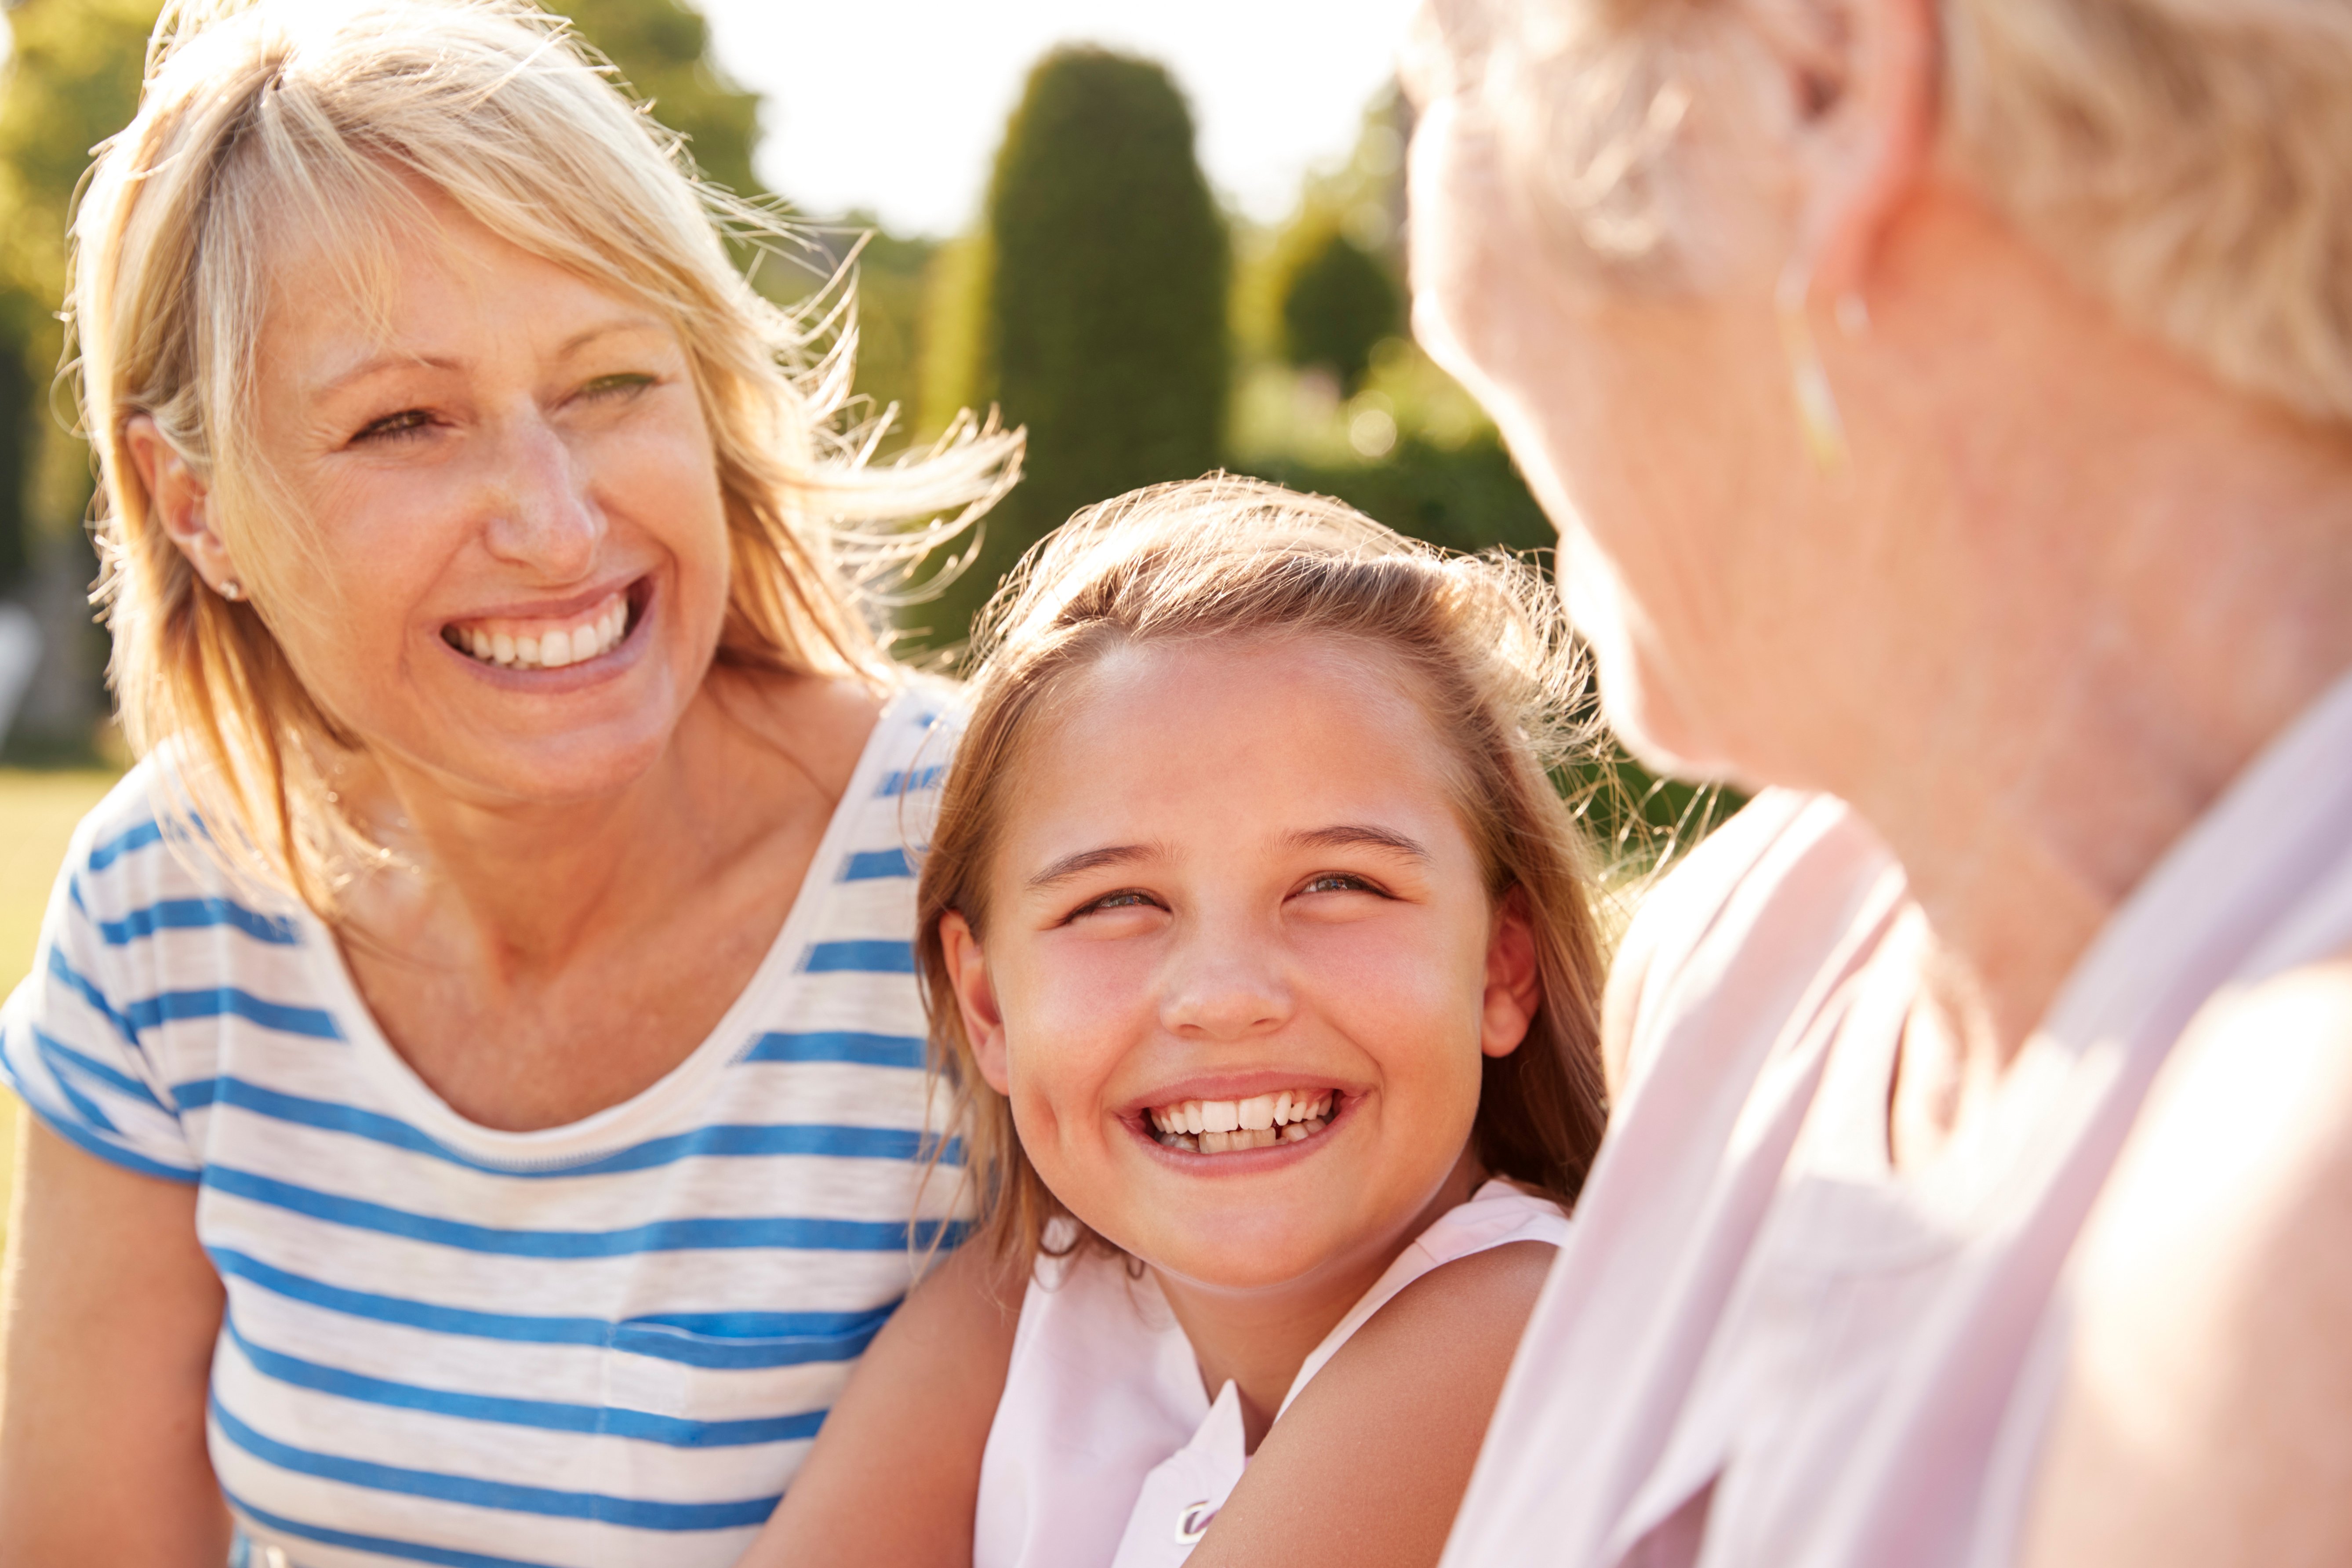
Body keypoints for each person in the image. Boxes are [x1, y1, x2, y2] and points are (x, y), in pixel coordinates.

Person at [0, 2, 1017, 1564]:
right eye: (404, 421)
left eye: (612, 383)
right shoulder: (168, 903)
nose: (554, 522)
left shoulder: (994, 866)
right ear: (191, 502)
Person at [1402, 0, 2352, 1563]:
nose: (1435, 306)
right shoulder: (1740, 956)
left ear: (1817, 74)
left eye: (1447, 62)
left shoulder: (2308, 1220)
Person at [742, 477, 1613, 1568]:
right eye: (1116, 902)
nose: (1225, 994)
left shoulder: (1511, 1326)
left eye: (1338, 882)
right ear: (988, 1004)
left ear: (1502, 963)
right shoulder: (1009, 1316)